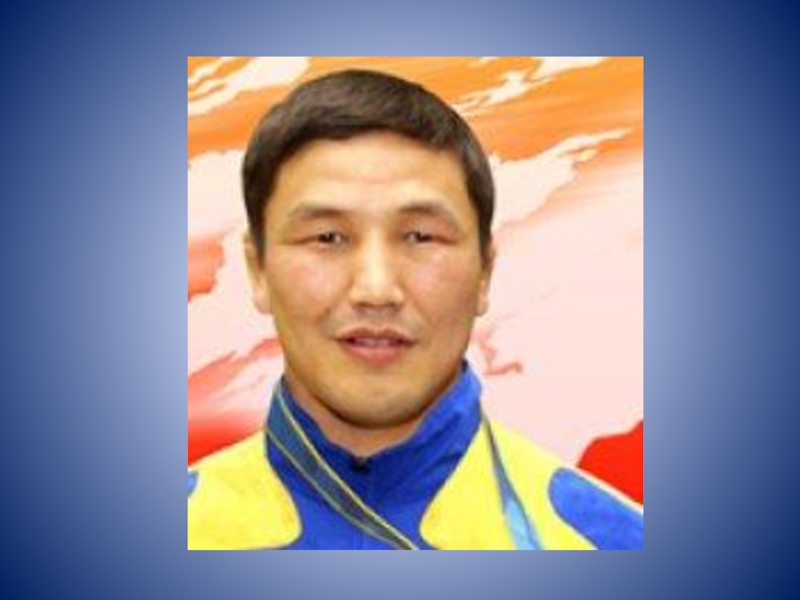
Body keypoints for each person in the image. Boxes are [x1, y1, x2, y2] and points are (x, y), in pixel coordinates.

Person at [187, 69, 643, 550]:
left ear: (485, 272)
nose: (376, 289)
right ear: (257, 270)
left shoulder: (613, 543)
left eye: (421, 237)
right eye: (328, 237)